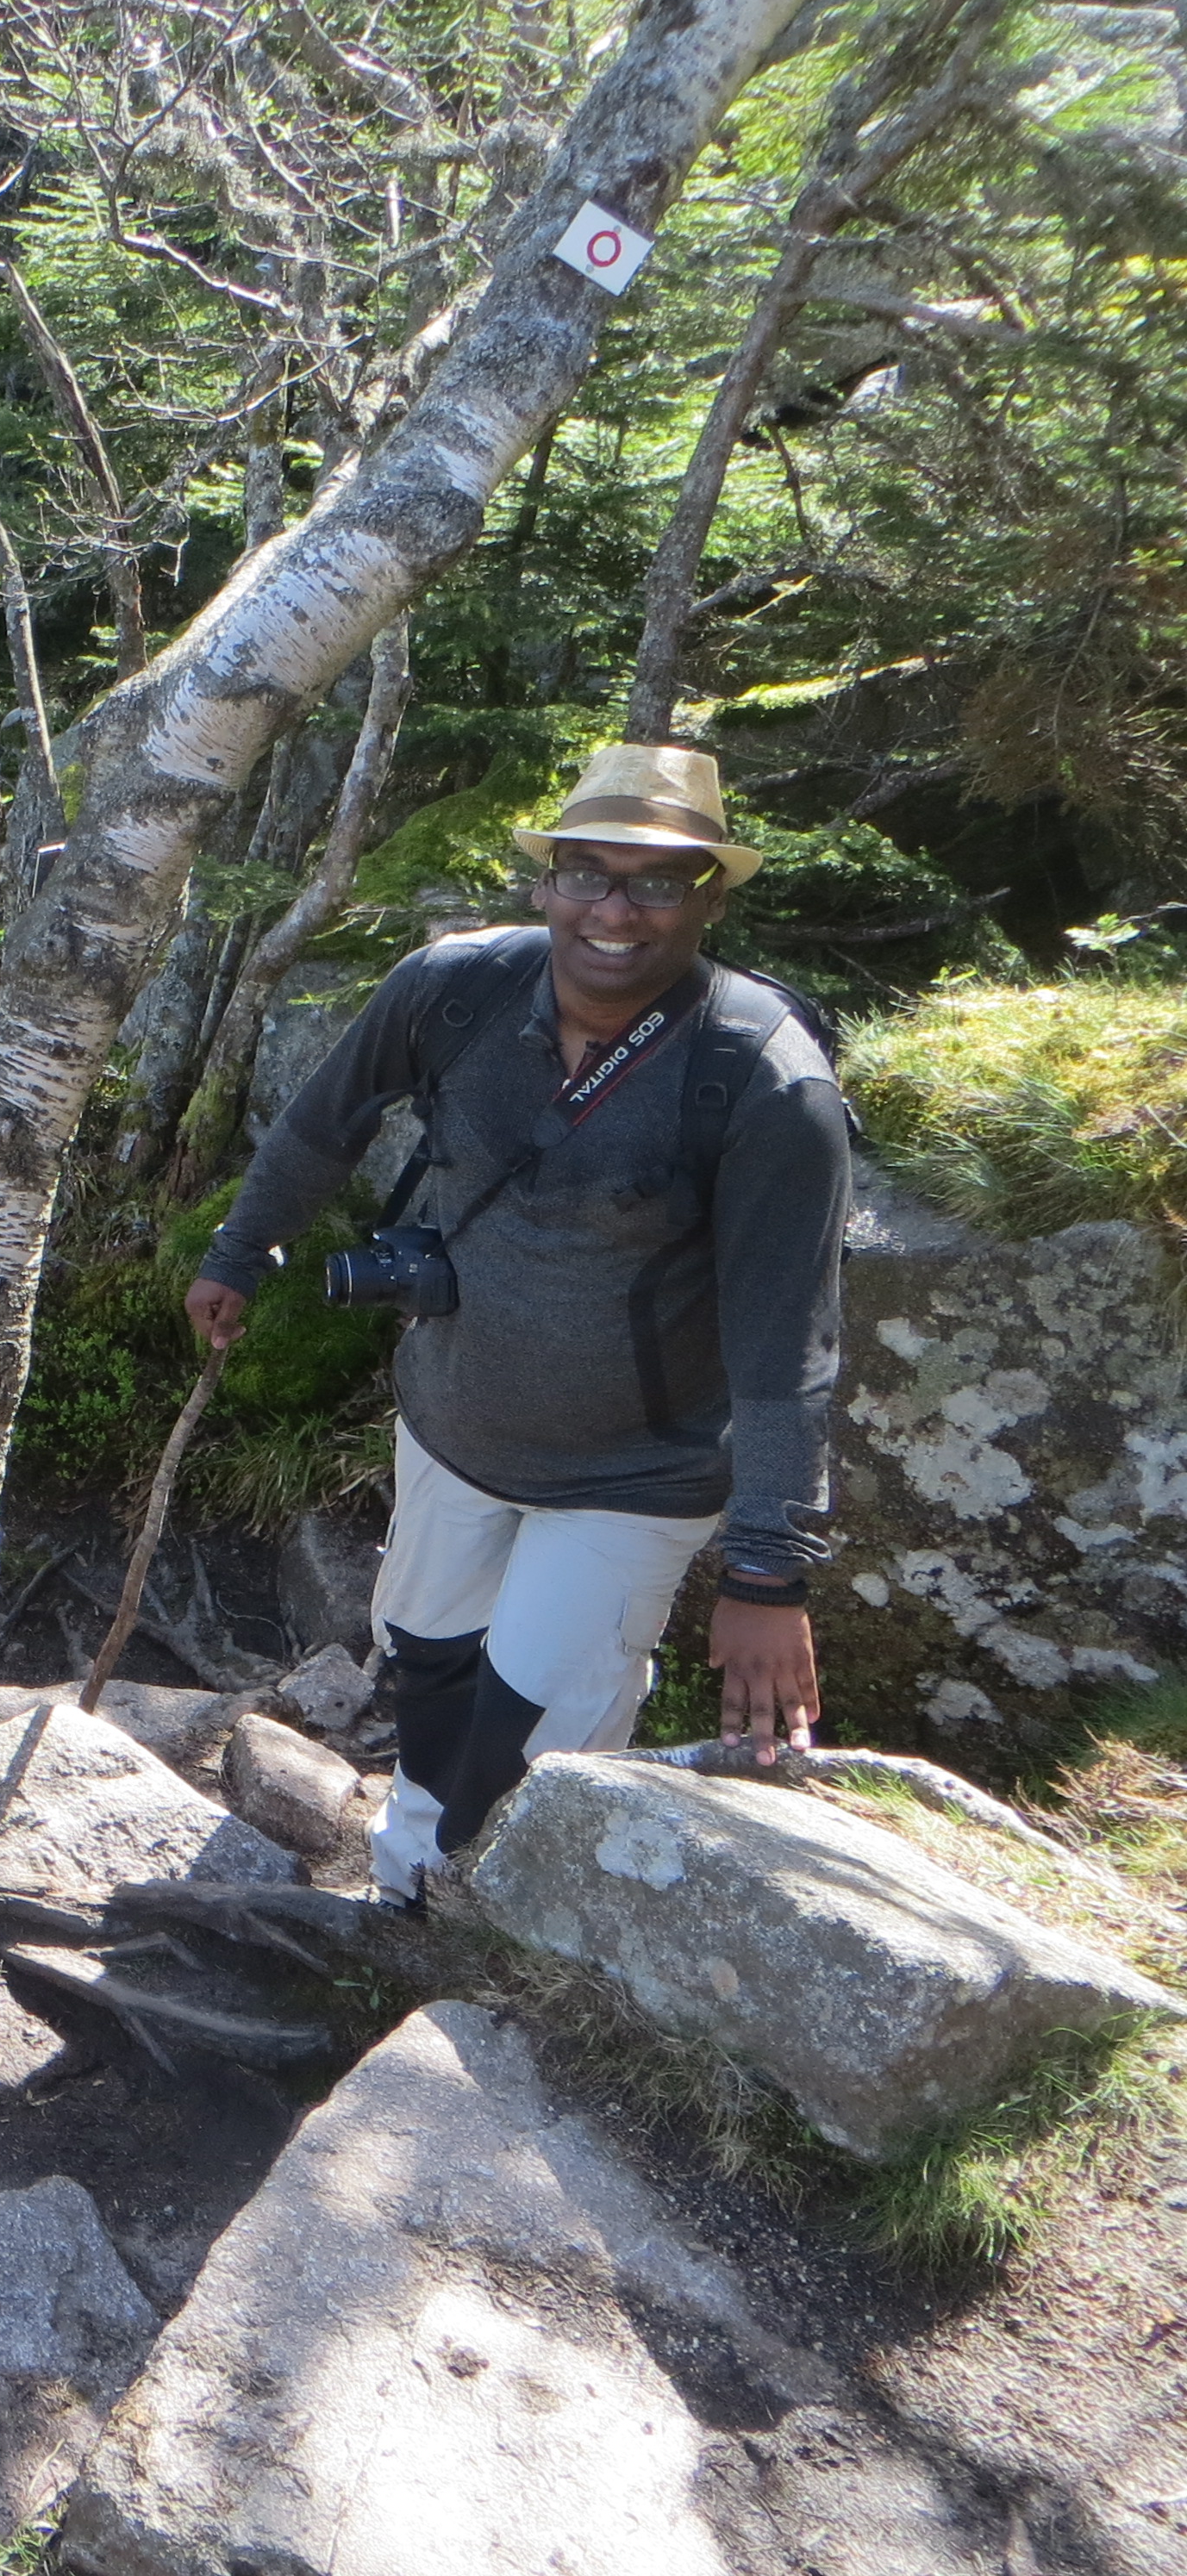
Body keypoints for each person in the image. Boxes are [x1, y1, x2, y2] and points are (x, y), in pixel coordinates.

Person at [184, 742, 854, 1900]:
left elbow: (787, 1344)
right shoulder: (455, 990)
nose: (615, 911)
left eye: (658, 882)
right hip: (451, 1425)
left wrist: (766, 1575)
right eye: (588, 874)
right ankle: (400, 1887)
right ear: (545, 881)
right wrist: (242, 1250)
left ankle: (477, 1927)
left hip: (635, 1476)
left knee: (533, 1735)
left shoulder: (764, 1082)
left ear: (711, 897)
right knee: (427, 1663)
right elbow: (323, 1124)